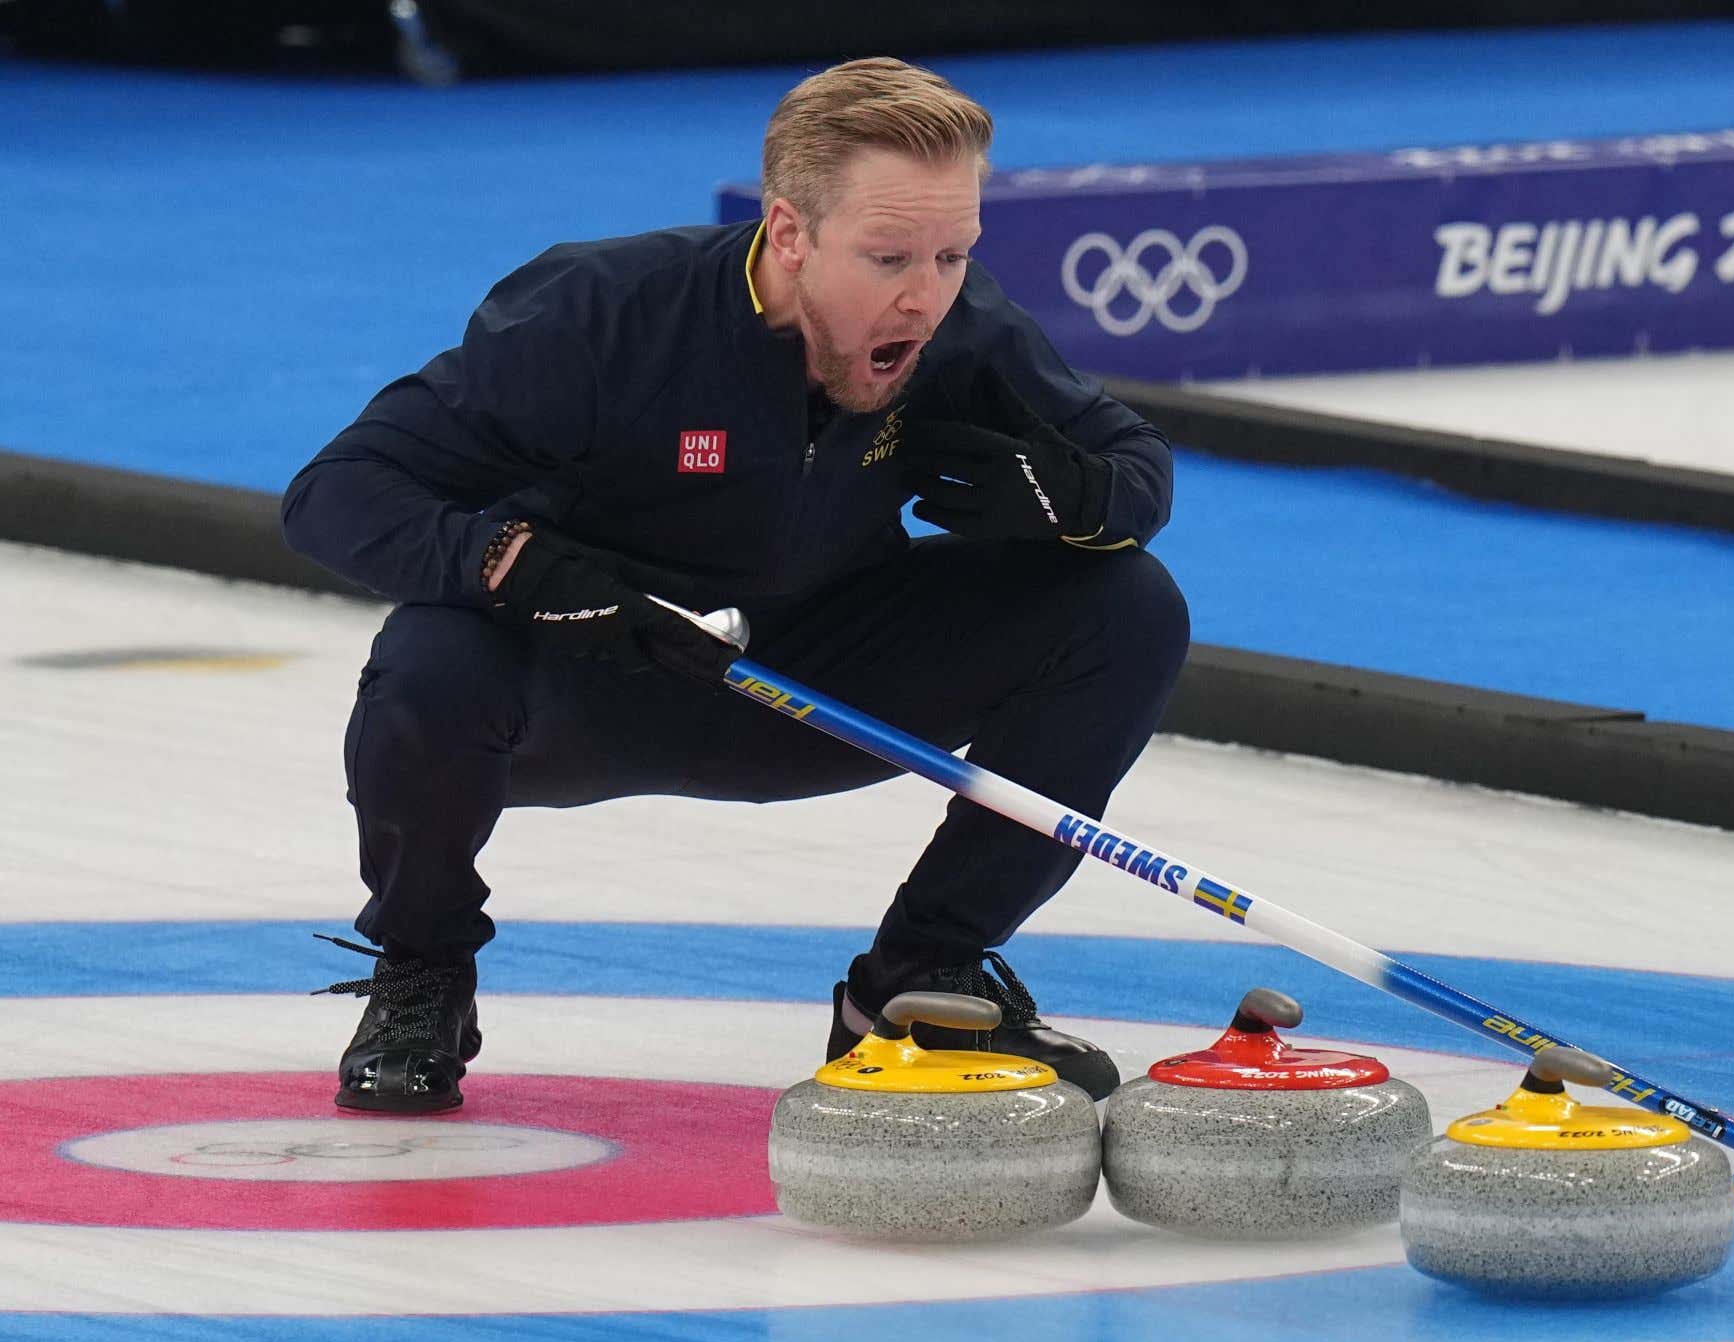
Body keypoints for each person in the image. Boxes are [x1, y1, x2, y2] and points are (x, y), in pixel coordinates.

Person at [282, 56, 1187, 1114]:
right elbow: (335, 493)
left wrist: (1066, 492)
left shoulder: (961, 329)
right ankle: (420, 972)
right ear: (789, 234)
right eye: (888, 254)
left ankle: (916, 984)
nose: (925, 293)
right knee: (427, 657)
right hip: (592, 669)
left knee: (1127, 606)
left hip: (818, 679)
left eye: (952, 253)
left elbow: (1134, 468)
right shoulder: (602, 314)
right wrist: (513, 566)